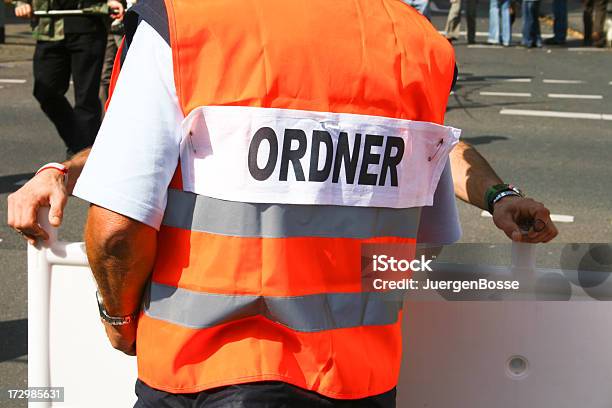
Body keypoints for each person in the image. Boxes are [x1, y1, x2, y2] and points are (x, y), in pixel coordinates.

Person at [7, 0, 558, 406]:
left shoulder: (188, 21)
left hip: (211, 372)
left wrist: (117, 317)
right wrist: (500, 195)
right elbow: (430, 145)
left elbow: (119, 226)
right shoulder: (419, 42)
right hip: (362, 379)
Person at [13, 0, 124, 157]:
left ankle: (82, 159)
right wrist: (22, 3)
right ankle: (82, 148)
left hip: (89, 22)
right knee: (45, 91)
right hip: (49, 27)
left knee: (86, 100)